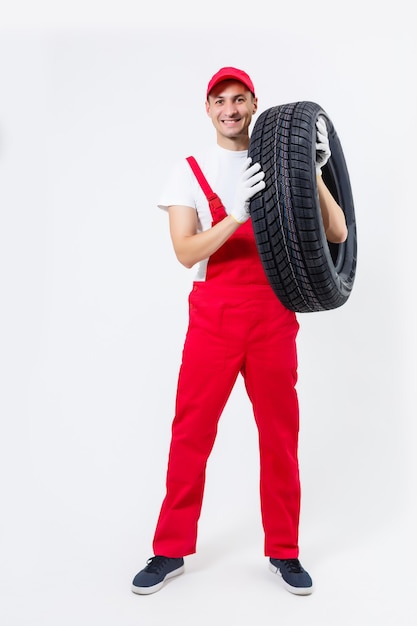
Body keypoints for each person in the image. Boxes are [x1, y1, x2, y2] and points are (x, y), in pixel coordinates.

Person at [131, 67, 348, 596]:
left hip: (273, 318)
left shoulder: (283, 163)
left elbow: (338, 232)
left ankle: (286, 552)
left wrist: (314, 172)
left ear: (255, 104)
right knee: (191, 434)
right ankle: (169, 550)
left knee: (280, 437)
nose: (230, 109)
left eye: (239, 99)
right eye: (219, 100)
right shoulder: (188, 172)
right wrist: (234, 217)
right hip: (214, 320)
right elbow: (186, 253)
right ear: (207, 108)